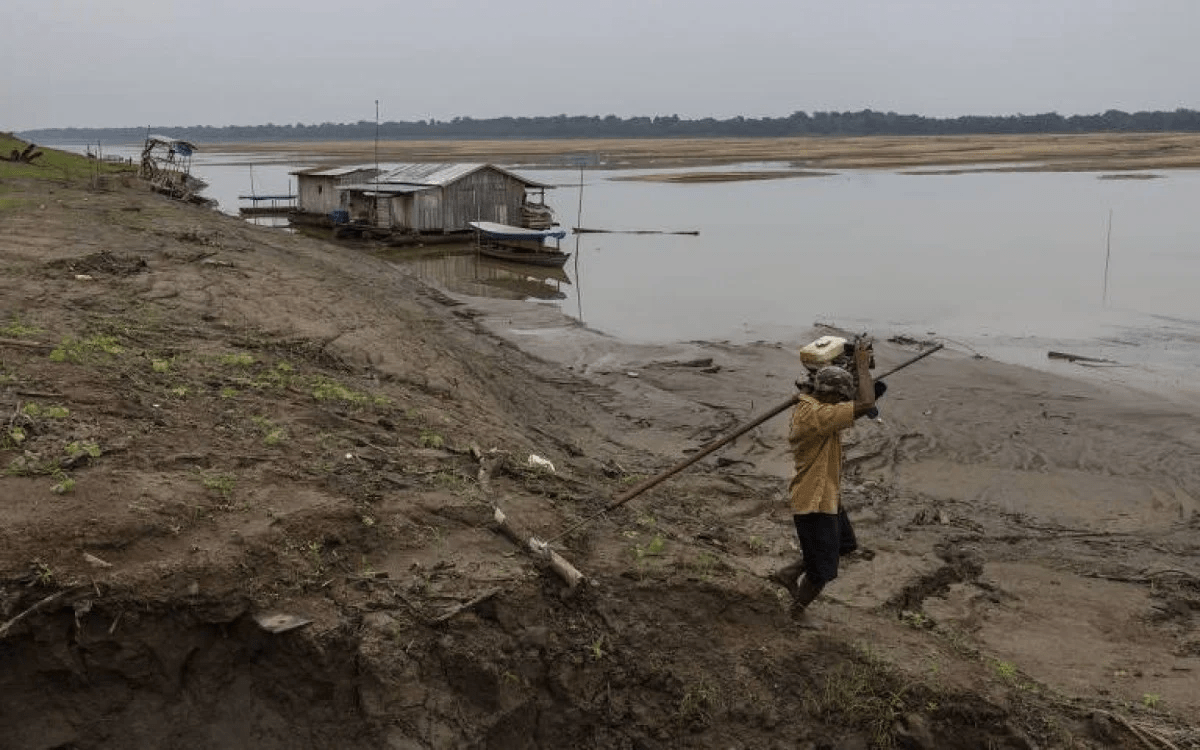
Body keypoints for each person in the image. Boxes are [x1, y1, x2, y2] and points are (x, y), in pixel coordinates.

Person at [770, 340, 879, 628]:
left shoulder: (813, 402)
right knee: (823, 569)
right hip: (814, 501)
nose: (845, 404)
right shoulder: (818, 416)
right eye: (841, 399)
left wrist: (855, 366)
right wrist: (864, 365)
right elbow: (866, 403)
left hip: (826, 494)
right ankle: (796, 612)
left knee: (844, 544)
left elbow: (853, 395)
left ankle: (789, 573)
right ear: (830, 398)